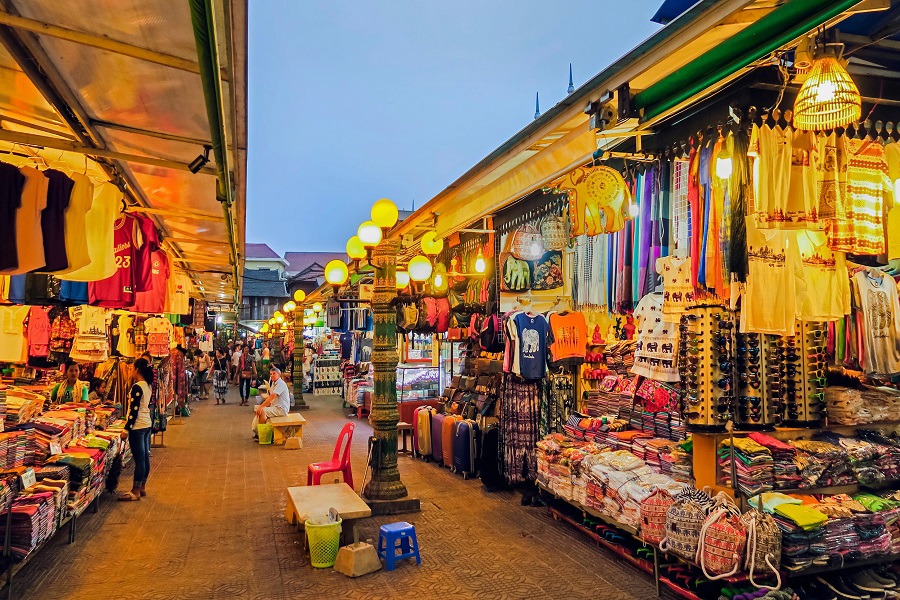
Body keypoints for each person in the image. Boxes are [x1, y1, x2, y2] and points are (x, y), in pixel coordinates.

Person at [119, 357, 153, 501]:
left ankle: (135, 491)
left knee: (140, 459)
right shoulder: (148, 386)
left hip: (138, 427)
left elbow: (133, 410)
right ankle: (142, 487)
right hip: (146, 425)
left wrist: (126, 429)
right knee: (145, 458)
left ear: (137, 370)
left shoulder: (137, 387)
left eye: (133, 368)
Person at [252, 366, 290, 440]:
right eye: (270, 374)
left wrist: (261, 407)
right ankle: (260, 431)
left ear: (279, 375)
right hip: (276, 407)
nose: (272, 375)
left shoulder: (280, 384)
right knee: (259, 410)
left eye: (274, 373)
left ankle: (262, 435)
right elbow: (270, 398)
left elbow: (272, 396)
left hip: (281, 409)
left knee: (262, 410)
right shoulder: (273, 383)